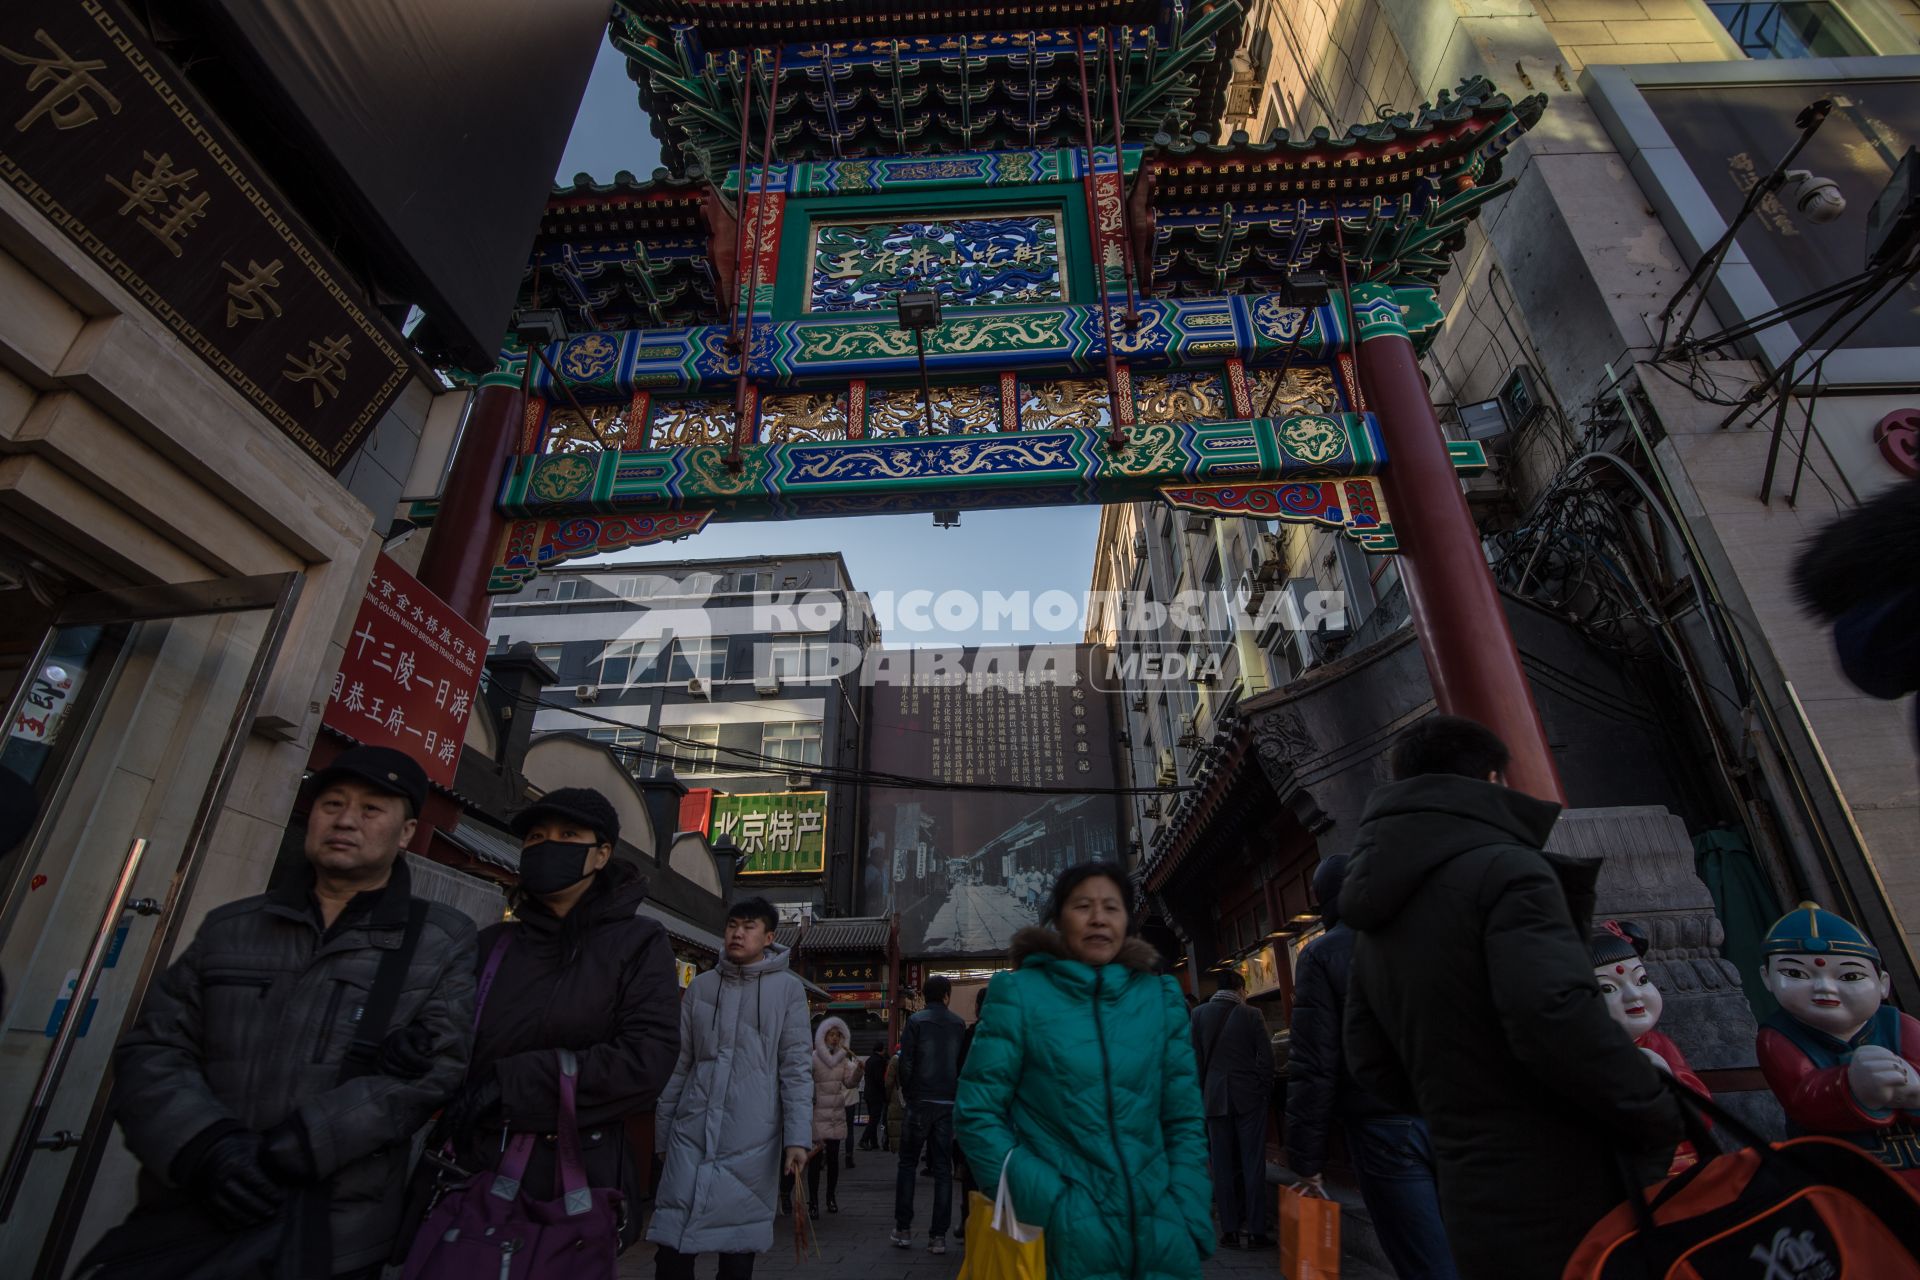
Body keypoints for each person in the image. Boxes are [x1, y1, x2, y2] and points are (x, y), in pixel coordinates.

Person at [101, 746, 476, 1278]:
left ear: (406, 832)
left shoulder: (437, 940)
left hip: (333, 1233)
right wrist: (207, 1149)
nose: (345, 820)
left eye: (371, 810)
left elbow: (436, 1069)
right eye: (332, 803)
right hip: (193, 1218)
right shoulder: (232, 927)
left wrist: (300, 1146)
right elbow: (155, 1048)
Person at [1340, 716, 1682, 1279]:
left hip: (1469, 1178)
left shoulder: (1376, 911)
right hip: (1563, 1171)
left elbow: (1370, 1061)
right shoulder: (1507, 870)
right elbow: (1554, 1013)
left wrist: (1460, 1110)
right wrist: (1651, 1107)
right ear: (1493, 780)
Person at [434, 787, 679, 1252]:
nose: (548, 845)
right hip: (472, 1177)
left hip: (574, 1182)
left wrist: (513, 1083)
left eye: (569, 835)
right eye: (536, 837)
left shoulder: (639, 943)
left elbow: (646, 1060)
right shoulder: (492, 944)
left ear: (601, 854)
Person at [957, 862, 1213, 1280]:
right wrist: (1051, 1206)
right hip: (1063, 1243)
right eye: (1083, 905)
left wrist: (1188, 1207)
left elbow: (1182, 1116)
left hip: (1162, 1240)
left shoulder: (1160, 998)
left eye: (1111, 907)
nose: (1098, 918)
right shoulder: (1019, 995)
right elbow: (976, 1113)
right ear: (1058, 918)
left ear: (1128, 920)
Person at [1288, 854, 1455, 1280]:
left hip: (1385, 1127)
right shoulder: (1432, 933)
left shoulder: (1322, 955)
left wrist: (1304, 1157)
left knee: (1424, 1259)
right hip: (1460, 1113)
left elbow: (1314, 1062)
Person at [648, 897, 812, 1280]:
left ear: (769, 936)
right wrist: (663, 1134)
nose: (738, 933)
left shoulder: (787, 991)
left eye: (749, 926)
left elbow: (796, 1069)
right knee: (671, 1252)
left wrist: (797, 1139)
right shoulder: (703, 987)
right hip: (691, 1132)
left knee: (737, 1256)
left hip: (752, 1138)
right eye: (733, 925)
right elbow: (680, 1065)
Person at [1190, 967, 1275, 1249]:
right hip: (1248, 1097)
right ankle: (1256, 1231)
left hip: (1214, 1099)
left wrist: (1203, 1094)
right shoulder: (1251, 1015)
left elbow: (1195, 1061)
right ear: (1240, 989)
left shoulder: (1198, 1015)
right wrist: (1262, 1087)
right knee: (1252, 1164)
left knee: (1222, 1166)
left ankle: (1228, 1231)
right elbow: (1267, 1057)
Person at [892, 973, 967, 1253]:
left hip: (920, 1101)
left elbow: (906, 1062)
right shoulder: (958, 1024)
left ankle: (903, 1229)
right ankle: (938, 1236)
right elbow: (961, 1066)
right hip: (947, 1103)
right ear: (947, 996)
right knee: (943, 1170)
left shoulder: (915, 1021)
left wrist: (911, 1094)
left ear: (925, 995)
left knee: (908, 1164)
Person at [806, 1016, 863, 1214]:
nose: (834, 1039)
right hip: (817, 1114)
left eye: (837, 1036)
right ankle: (813, 1202)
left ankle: (831, 1197)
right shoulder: (813, 1058)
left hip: (836, 1114)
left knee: (833, 1160)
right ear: (823, 1037)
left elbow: (849, 1083)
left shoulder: (843, 1060)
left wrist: (858, 1072)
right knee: (814, 1161)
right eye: (831, 1035)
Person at [860, 1044, 890, 1150]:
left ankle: (874, 1142)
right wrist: (884, 1091)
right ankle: (864, 1139)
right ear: (881, 1050)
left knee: (872, 1118)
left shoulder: (869, 1060)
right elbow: (880, 1080)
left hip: (868, 1093)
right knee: (874, 1119)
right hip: (876, 1094)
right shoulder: (879, 1061)